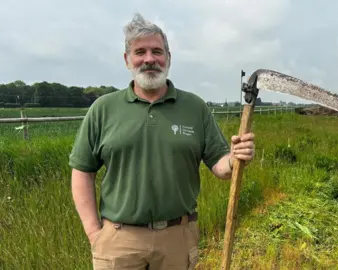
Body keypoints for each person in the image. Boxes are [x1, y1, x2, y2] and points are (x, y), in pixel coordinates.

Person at [69, 12, 255, 269]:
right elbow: (82, 172)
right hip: (119, 240)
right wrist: (94, 233)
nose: (149, 59)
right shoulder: (103, 109)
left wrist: (235, 158)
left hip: (177, 239)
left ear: (168, 58)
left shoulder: (194, 107)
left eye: (157, 51)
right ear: (127, 60)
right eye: (140, 52)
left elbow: (220, 165)